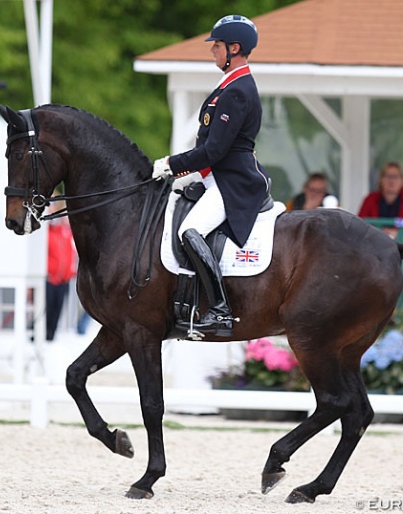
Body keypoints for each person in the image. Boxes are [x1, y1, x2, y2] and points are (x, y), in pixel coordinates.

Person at [151, 14, 270, 337]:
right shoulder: (229, 86)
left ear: (234, 48)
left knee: (189, 231)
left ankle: (219, 310)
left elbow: (214, 150)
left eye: (217, 46)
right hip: (214, 177)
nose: (212, 51)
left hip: (232, 183)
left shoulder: (237, 91)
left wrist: (172, 164)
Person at [357, 161, 403, 239]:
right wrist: (379, 232)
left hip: (401, 244)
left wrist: (396, 233)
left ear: (402, 180)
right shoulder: (370, 199)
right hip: (373, 242)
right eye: (388, 176)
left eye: (395, 176)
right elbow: (360, 223)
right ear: (380, 179)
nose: (391, 181)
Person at [45, 213, 77, 342]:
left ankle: (51, 335)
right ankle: (44, 333)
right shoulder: (50, 234)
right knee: (47, 308)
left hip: (64, 279)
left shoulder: (68, 235)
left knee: (57, 309)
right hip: (50, 278)